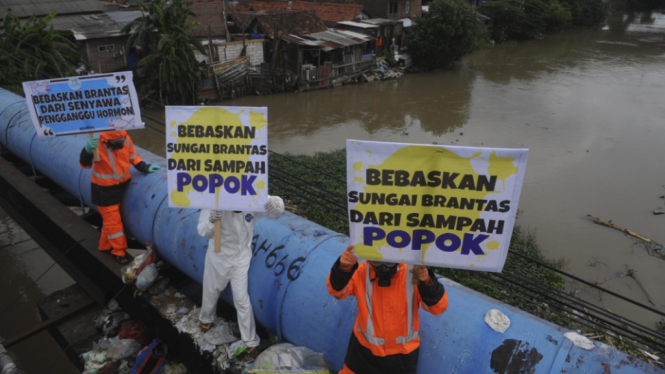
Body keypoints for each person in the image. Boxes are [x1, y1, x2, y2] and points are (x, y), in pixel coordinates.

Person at [327, 245, 448, 374]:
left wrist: (428, 282)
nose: (383, 266)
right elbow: (336, 291)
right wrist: (343, 269)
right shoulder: (362, 272)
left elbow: (438, 307)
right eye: (377, 259)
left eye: (389, 260)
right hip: (364, 353)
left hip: (402, 357)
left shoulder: (413, 274)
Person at [198, 196, 285, 358]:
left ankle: (251, 341)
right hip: (219, 256)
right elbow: (203, 231)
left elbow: (277, 211)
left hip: (241, 258)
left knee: (241, 299)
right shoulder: (213, 203)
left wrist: (272, 201)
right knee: (211, 291)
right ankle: (206, 318)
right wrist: (212, 219)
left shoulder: (252, 200)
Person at [79, 130, 161, 264]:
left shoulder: (125, 139)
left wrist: (144, 167)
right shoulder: (97, 144)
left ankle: (104, 246)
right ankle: (119, 251)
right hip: (103, 191)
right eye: (115, 143)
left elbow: (133, 156)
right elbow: (85, 164)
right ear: (107, 141)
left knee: (110, 222)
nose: (119, 145)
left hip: (120, 187)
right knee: (114, 223)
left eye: (120, 142)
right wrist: (87, 150)